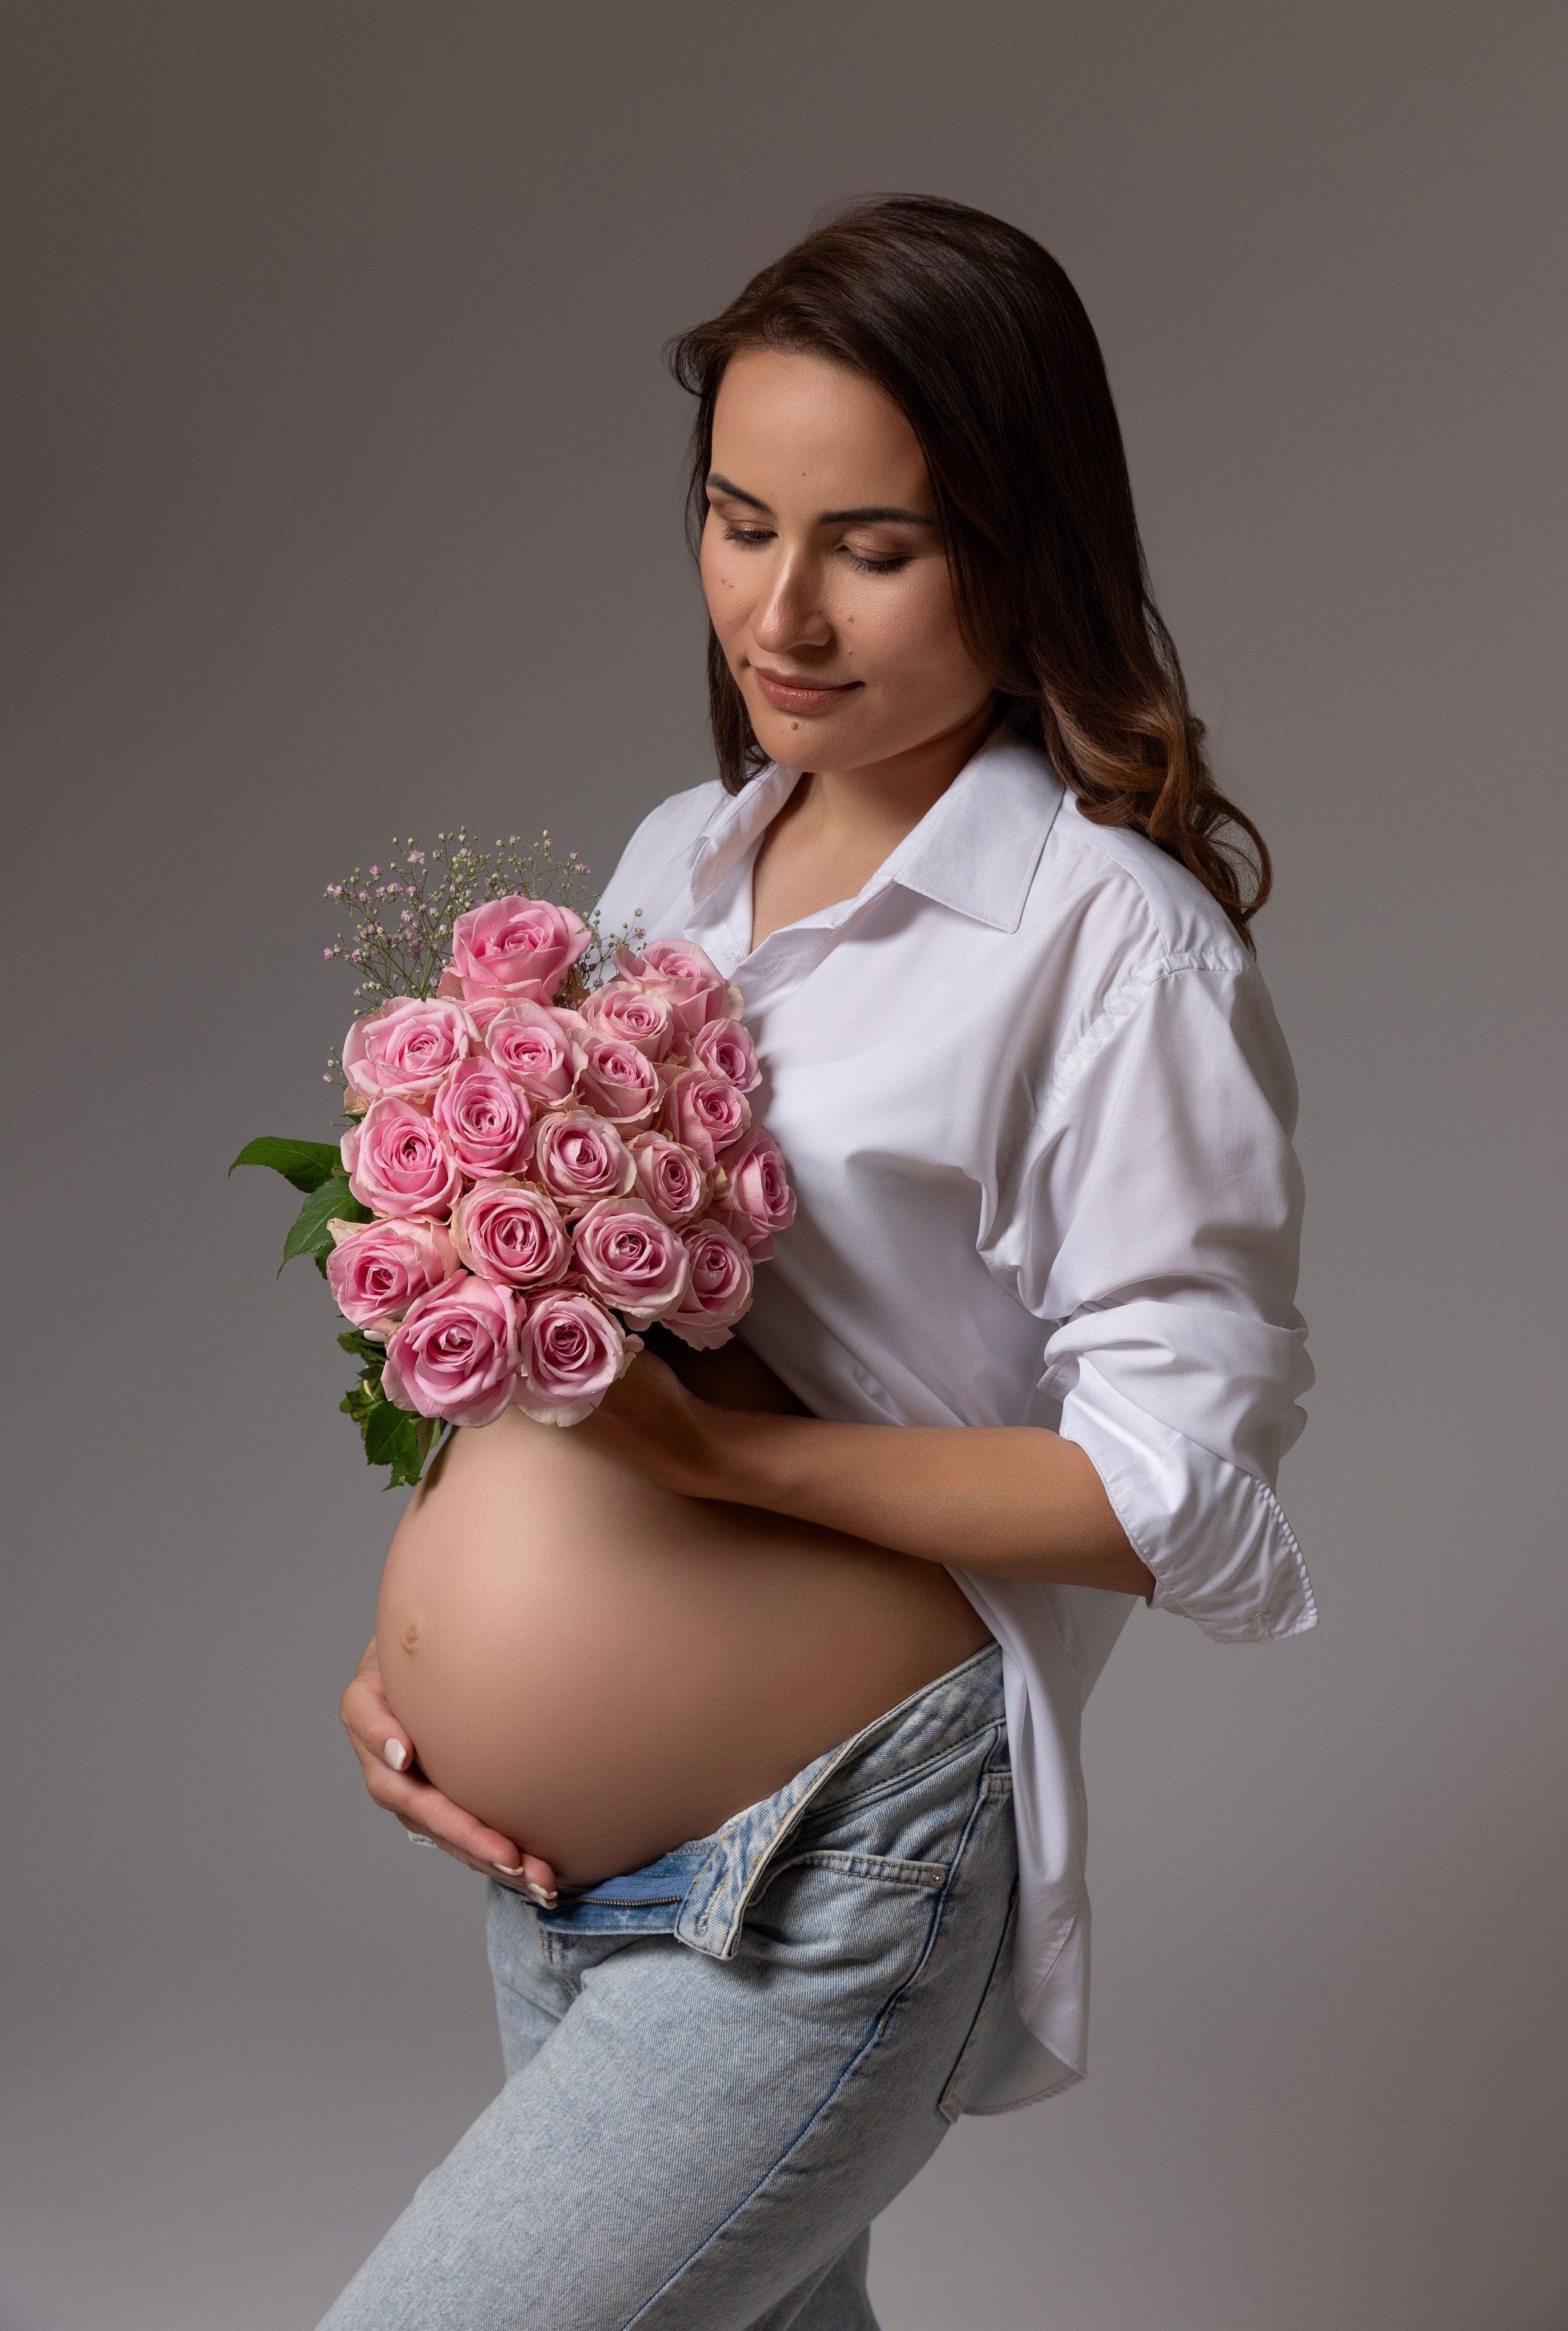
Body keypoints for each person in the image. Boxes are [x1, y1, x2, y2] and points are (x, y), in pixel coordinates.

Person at [325, 194, 1314, 2330]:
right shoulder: (683, 859)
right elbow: (584, 1343)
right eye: (737, 519)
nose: (782, 609)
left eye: (875, 544)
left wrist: (718, 1475)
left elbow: (1175, 1496)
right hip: (561, 1866)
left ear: (1024, 545)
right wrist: (429, 1648)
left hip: (831, 1864)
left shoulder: (1107, 950)